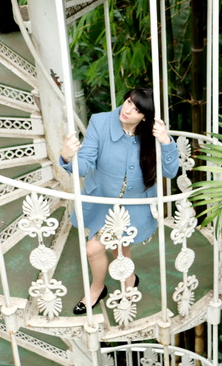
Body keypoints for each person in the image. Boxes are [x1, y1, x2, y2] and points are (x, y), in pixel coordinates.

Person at [59, 88, 179, 314]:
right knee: (94, 249)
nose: (127, 110)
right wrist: (67, 156)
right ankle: (98, 288)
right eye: (128, 102)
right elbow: (86, 163)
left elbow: (171, 172)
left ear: (145, 116)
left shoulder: (151, 133)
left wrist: (165, 141)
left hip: (134, 205)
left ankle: (129, 278)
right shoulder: (101, 122)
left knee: (121, 247)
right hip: (103, 202)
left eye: (136, 109)